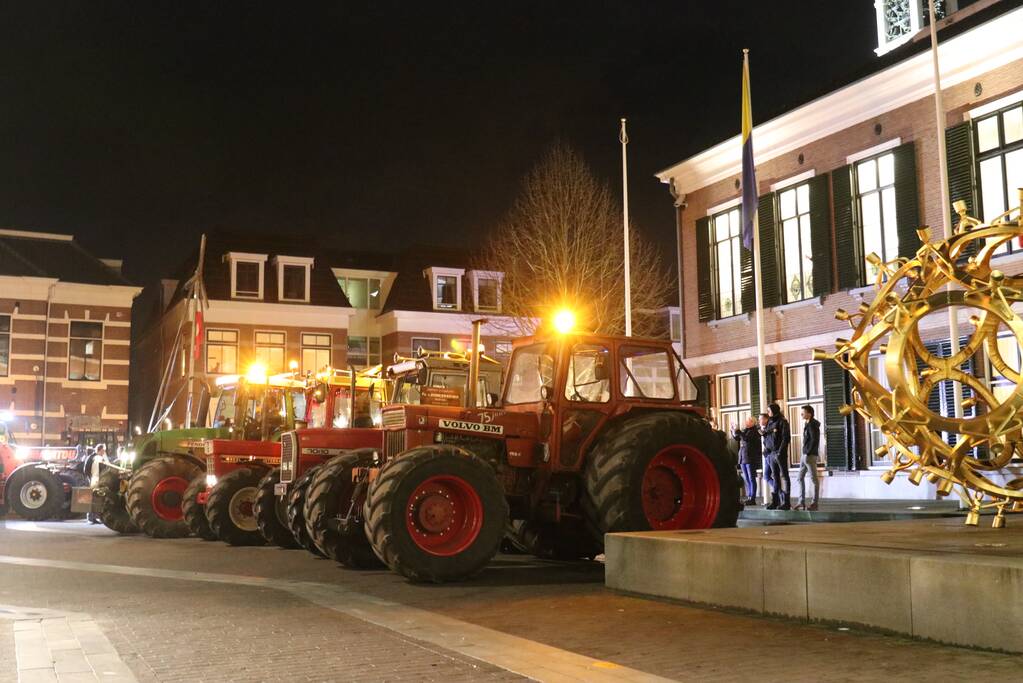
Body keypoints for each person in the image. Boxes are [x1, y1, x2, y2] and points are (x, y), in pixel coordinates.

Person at [760, 404, 791, 510]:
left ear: (774, 410)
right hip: (771, 453)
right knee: (775, 476)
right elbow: (768, 437)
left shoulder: (782, 421)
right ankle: (775, 502)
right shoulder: (769, 422)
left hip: (779, 454)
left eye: (769, 410)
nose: (768, 412)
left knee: (784, 476)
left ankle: (786, 502)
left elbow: (786, 438)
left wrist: (780, 452)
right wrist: (766, 448)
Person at [796, 405, 821, 511]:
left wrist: (807, 452)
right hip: (805, 455)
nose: (801, 414)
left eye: (803, 412)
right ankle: (801, 502)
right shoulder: (807, 424)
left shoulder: (812, 425)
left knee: (814, 479)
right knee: (799, 478)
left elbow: (814, 440)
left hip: (809, 455)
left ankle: (814, 503)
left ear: (809, 414)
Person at [732, 417, 762, 505]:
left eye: (748, 421)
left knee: (751, 478)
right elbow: (738, 438)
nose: (746, 422)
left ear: (753, 422)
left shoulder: (754, 431)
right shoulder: (745, 430)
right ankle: (749, 496)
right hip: (743, 457)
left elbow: (746, 438)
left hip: (750, 457)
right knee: (747, 478)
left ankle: (752, 498)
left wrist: (739, 431)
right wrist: (733, 430)